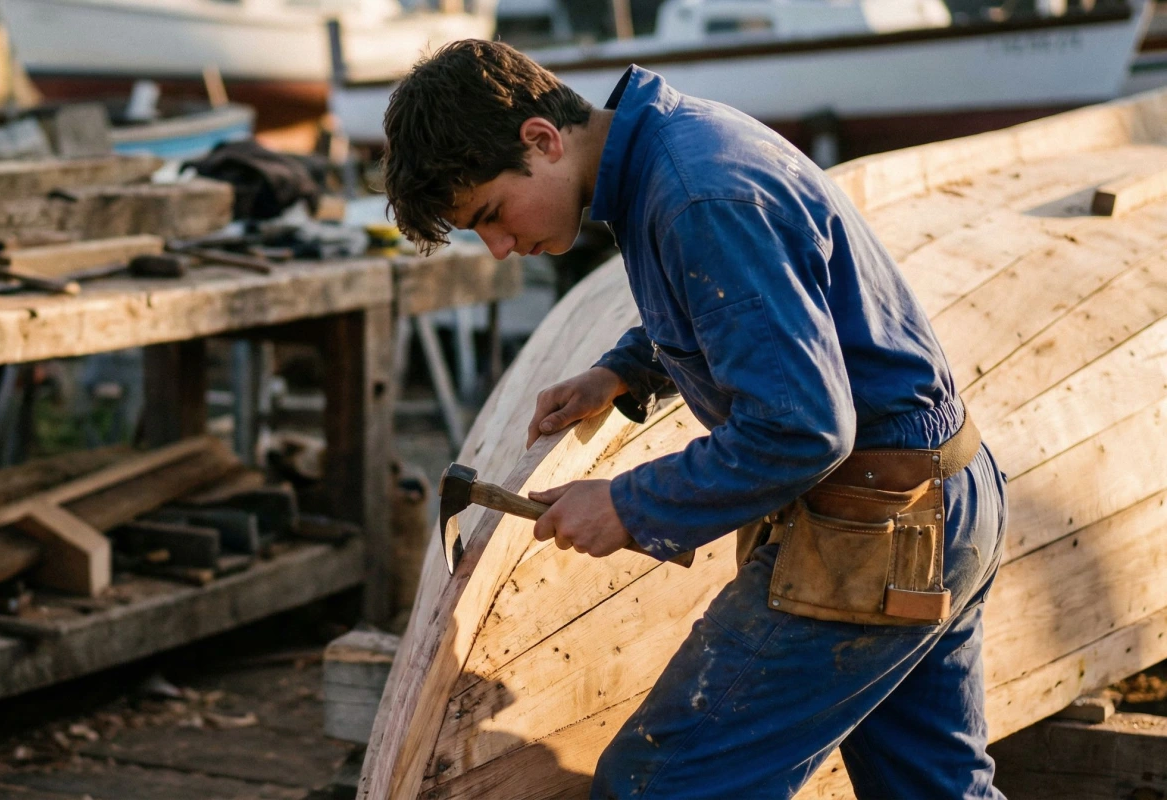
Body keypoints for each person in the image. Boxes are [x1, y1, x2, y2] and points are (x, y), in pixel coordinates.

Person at [380, 40, 1007, 799]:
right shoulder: (674, 151)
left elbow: (801, 428)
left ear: (541, 139)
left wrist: (627, 504)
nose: (502, 248)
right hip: (942, 499)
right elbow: (751, 305)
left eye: (492, 215)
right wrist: (624, 368)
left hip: (876, 526)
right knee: (934, 790)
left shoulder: (695, 194)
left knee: (661, 786)